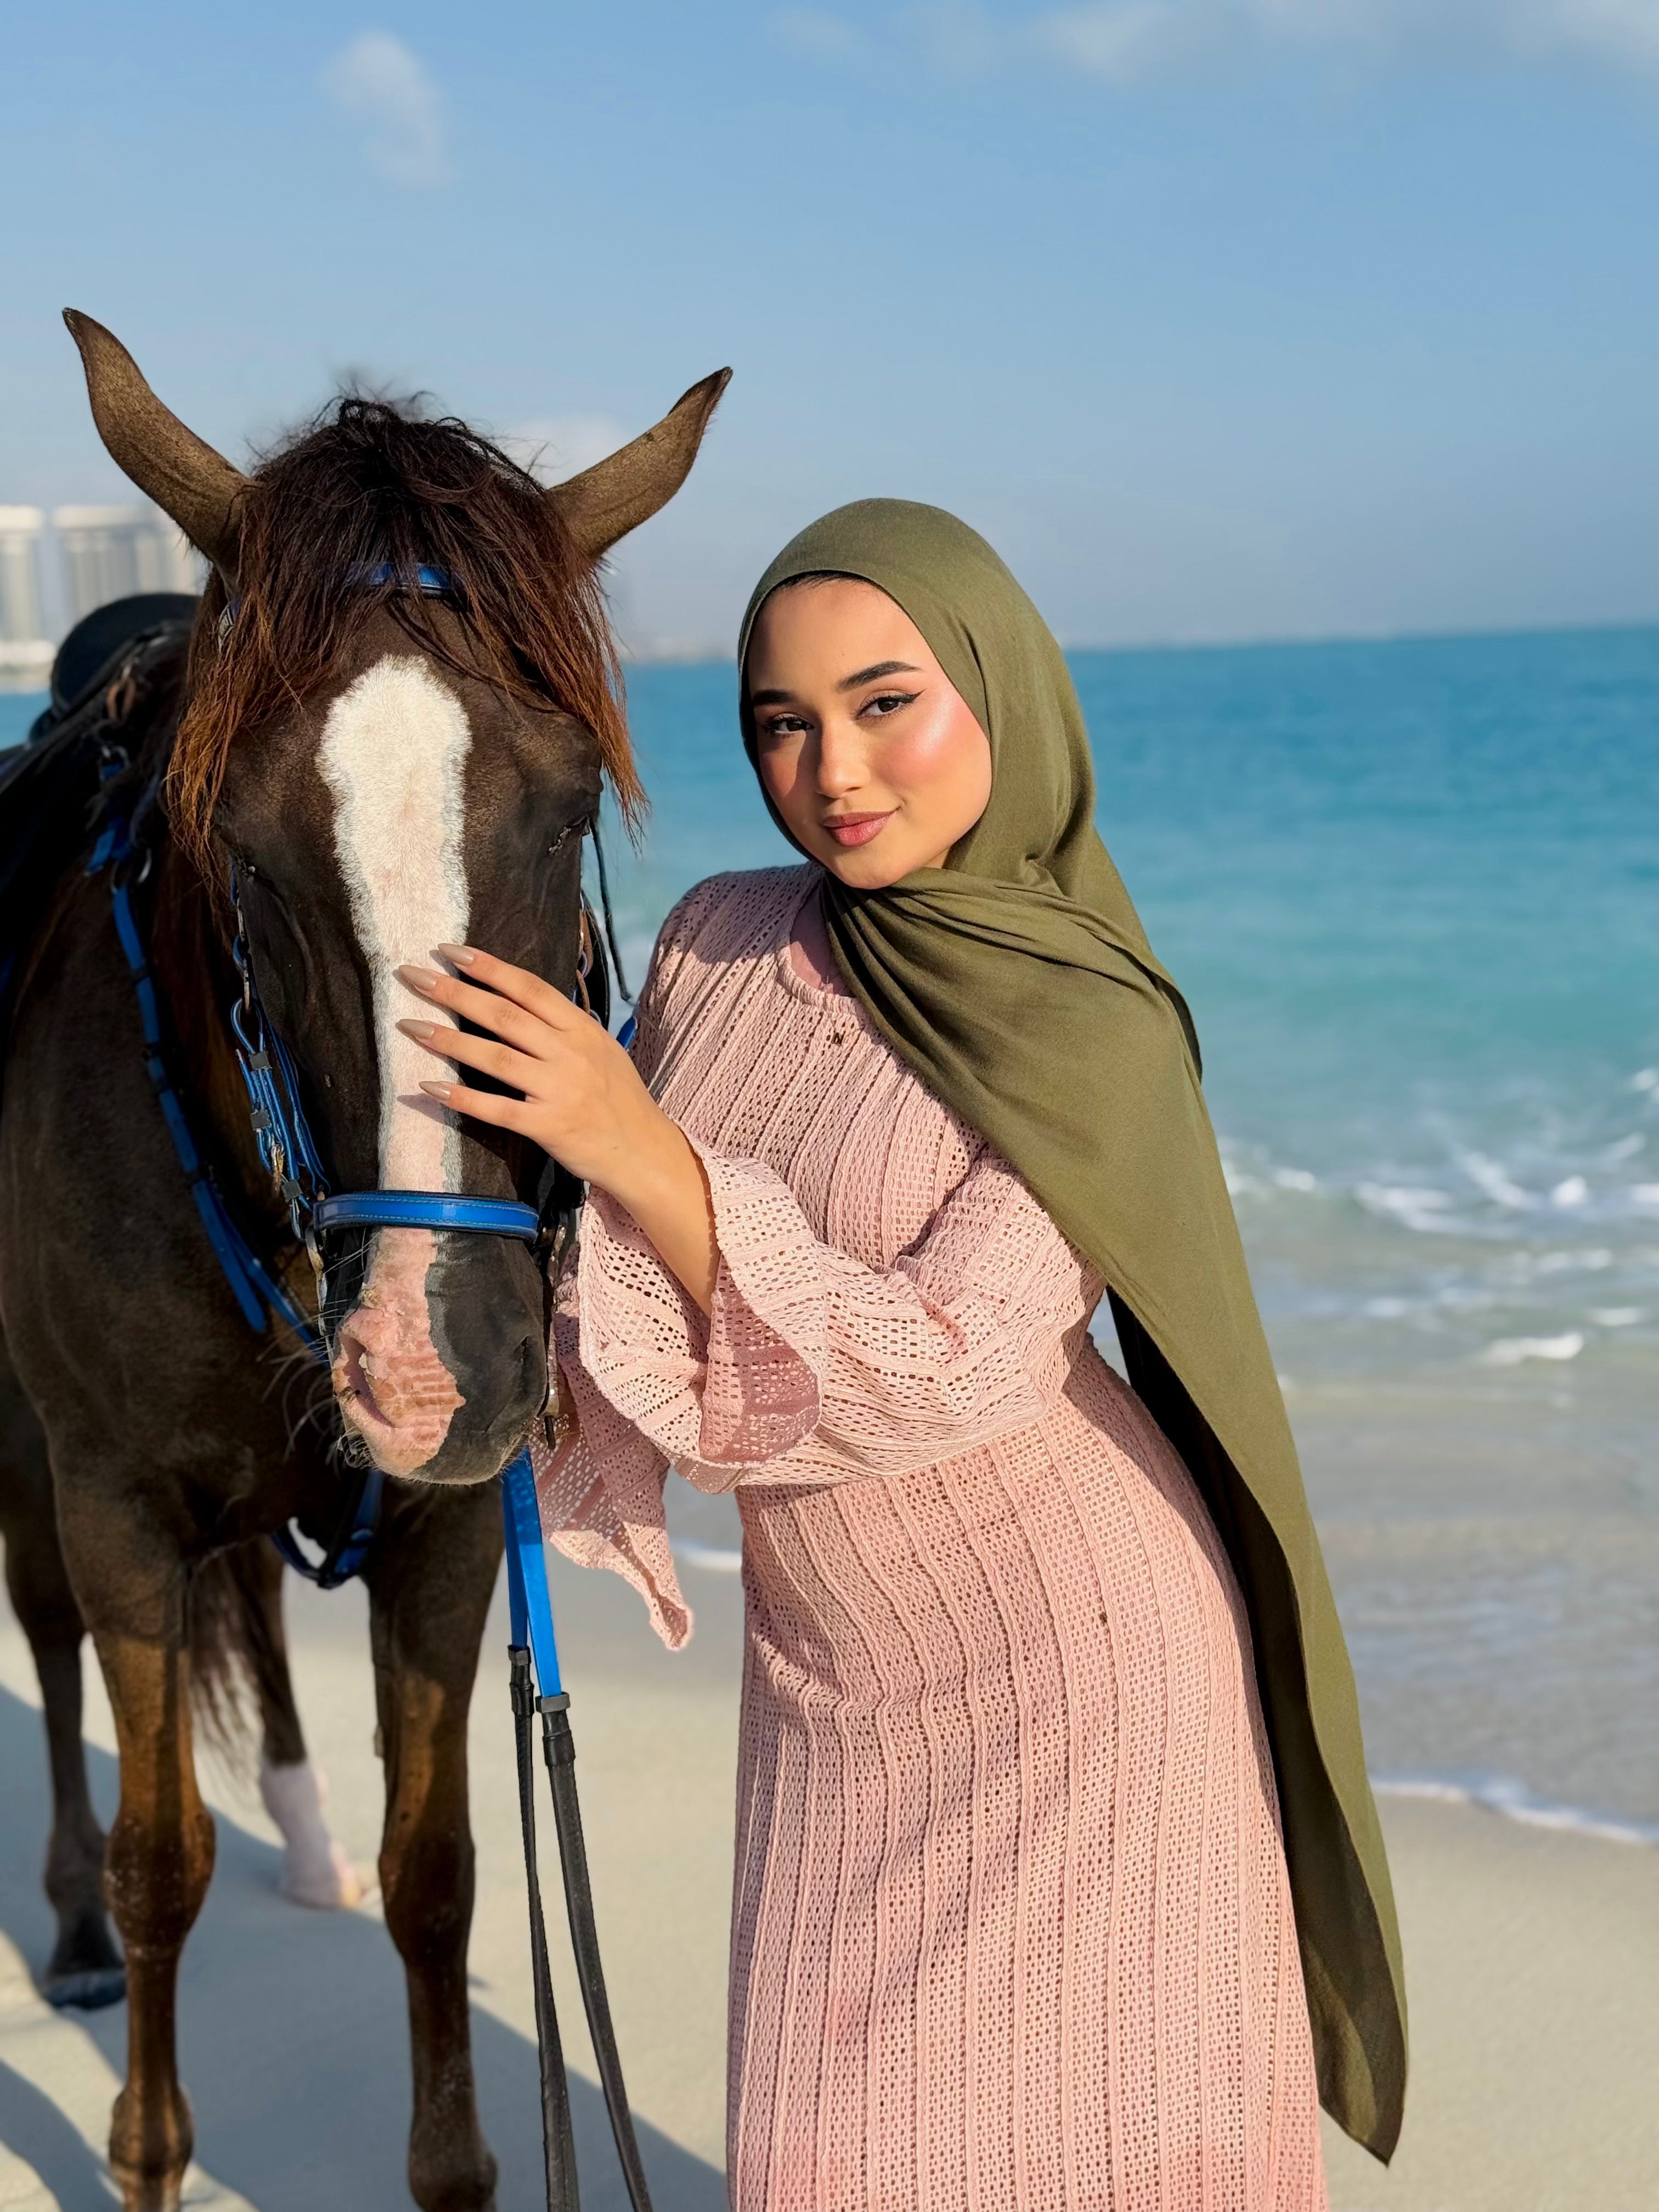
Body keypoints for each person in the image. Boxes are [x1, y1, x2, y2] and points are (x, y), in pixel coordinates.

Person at [396, 500, 1406, 2210]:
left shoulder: (1093, 1019)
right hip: (832, 1675)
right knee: (826, 2153)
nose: (834, 769)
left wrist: (641, 1146)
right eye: (780, 724)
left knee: (1107, 2141)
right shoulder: (719, 938)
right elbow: (591, 1261)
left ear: (1000, 698)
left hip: (1082, 1670)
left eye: (886, 703)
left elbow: (945, 1367)